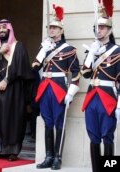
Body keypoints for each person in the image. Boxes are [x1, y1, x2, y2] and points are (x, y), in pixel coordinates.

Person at [32, 5, 80, 170]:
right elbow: (34, 67)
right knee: (48, 123)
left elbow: (76, 73)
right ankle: (48, 156)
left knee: (59, 123)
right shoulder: (44, 47)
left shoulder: (69, 50)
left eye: (54, 27)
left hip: (59, 89)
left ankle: (57, 157)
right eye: (50, 27)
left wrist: (71, 93)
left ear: (61, 30)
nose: (51, 30)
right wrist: (43, 51)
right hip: (45, 88)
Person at [0, 19, 33, 161]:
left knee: (12, 119)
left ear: (10, 30)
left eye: (5, 28)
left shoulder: (18, 47)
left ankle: (13, 150)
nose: (2, 30)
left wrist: (7, 80)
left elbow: (22, 67)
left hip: (13, 90)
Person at [80, 1, 120, 171]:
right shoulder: (93, 49)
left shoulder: (117, 51)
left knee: (107, 137)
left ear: (110, 30)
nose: (99, 30)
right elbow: (86, 74)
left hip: (108, 97)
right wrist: (91, 55)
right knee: (93, 136)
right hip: (92, 97)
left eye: (103, 27)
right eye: (97, 27)